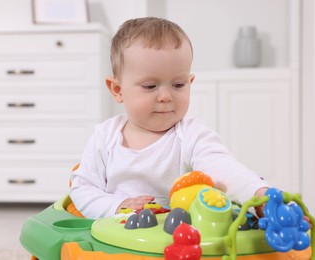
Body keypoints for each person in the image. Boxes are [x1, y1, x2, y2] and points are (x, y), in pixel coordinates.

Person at [69, 17, 269, 219]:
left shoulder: (192, 134)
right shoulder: (105, 137)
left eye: (178, 85)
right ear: (118, 89)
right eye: (150, 86)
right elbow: (82, 189)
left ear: (190, 82)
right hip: (115, 239)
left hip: (175, 241)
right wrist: (117, 205)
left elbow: (223, 169)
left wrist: (259, 196)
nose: (166, 96)